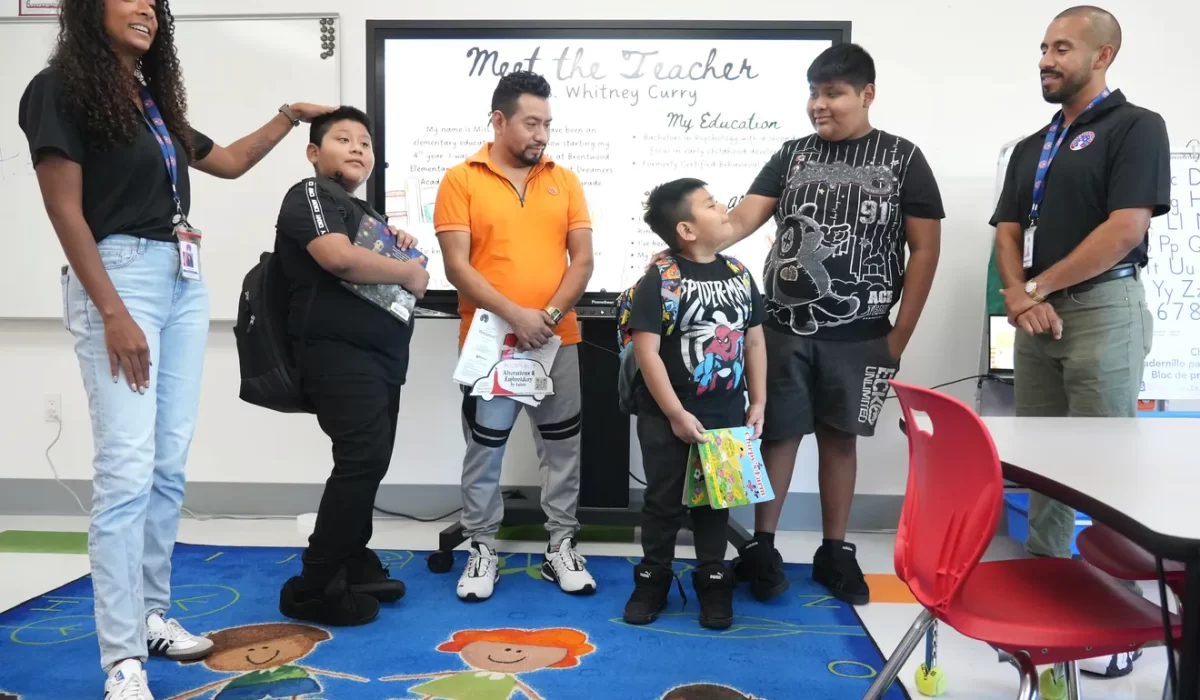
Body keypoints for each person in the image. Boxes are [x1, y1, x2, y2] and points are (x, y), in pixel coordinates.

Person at [17, 1, 333, 697]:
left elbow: (228, 162)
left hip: (181, 278)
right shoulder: (59, 90)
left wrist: (288, 114)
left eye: (155, 4)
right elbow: (63, 208)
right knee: (126, 473)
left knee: (166, 465)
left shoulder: (148, 99)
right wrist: (112, 311)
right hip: (118, 277)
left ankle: (152, 612)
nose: (146, 11)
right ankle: (122, 658)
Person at [713, 42, 945, 605]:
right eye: (814, 92)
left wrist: (898, 337)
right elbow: (740, 218)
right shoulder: (791, 154)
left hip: (862, 334)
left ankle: (834, 553)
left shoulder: (904, 158)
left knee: (842, 440)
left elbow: (926, 251)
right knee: (778, 435)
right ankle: (763, 547)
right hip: (783, 331)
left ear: (866, 94)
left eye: (833, 93)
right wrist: (684, 243)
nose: (820, 104)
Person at [990, 5, 1169, 678]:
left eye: (1061, 47)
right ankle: (1045, 602)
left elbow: (1126, 228)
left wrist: (1038, 289)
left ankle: (1117, 623)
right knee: (1045, 465)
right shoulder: (1034, 143)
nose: (1045, 58)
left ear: (1103, 56)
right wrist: (1019, 294)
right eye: (1042, 46)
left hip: (1103, 309)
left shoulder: (1137, 127)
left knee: (1107, 470)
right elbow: (1007, 231)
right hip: (1036, 316)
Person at [434, 70, 596, 602]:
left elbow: (584, 260)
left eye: (547, 124)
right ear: (500, 121)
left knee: (562, 447)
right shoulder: (462, 179)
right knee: (485, 450)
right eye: (531, 123)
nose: (541, 135)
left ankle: (561, 546)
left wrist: (545, 315)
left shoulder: (565, 180)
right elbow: (457, 267)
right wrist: (515, 316)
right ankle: (482, 547)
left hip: (557, 339)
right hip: (489, 345)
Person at [273, 107, 429, 626]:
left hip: (381, 357)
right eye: (344, 139)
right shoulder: (310, 193)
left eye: (365, 141)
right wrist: (407, 270)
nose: (359, 148)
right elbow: (338, 258)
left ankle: (351, 559)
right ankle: (314, 585)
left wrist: (399, 244)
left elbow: (373, 263)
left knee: (372, 459)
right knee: (361, 458)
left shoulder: (367, 213)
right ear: (315, 153)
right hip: (337, 354)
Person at [621, 178, 766, 631]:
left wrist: (758, 398)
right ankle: (653, 577)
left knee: (715, 501)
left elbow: (754, 340)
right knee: (662, 500)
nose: (723, 207)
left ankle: (713, 577)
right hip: (665, 415)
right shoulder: (661, 280)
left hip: (725, 413)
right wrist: (675, 414)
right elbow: (646, 352)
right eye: (710, 204)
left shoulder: (740, 273)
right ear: (686, 229)